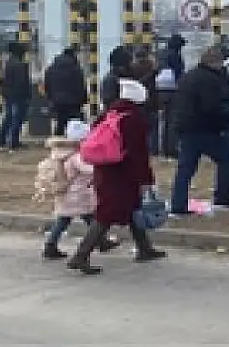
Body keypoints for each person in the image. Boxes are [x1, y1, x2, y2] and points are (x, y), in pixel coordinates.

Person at [66, 79, 165, 275]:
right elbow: (139, 153)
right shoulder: (134, 118)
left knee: (131, 209)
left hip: (105, 170)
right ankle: (80, 256)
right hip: (124, 174)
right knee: (107, 215)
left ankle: (144, 248)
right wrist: (146, 179)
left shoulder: (108, 114)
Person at [169, 46, 229, 215]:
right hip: (205, 128)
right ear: (216, 63)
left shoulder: (189, 76)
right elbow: (213, 106)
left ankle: (178, 204)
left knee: (186, 168)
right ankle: (222, 197)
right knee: (226, 159)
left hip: (186, 127)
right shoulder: (210, 80)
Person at [35, 120, 119, 259]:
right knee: (88, 218)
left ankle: (51, 245)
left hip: (65, 192)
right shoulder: (76, 155)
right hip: (77, 194)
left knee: (66, 219)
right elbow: (88, 170)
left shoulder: (58, 152)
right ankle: (100, 240)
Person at [44, 48, 87, 136]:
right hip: (73, 102)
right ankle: (72, 142)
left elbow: (47, 85)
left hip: (57, 101)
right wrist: (83, 100)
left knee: (60, 122)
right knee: (74, 125)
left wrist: (50, 98)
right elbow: (80, 86)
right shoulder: (76, 69)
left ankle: (58, 142)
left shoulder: (51, 68)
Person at [0, 42, 30, 150]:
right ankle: (14, 143)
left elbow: (1, 80)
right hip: (19, 96)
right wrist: (27, 95)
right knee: (17, 119)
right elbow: (23, 83)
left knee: (8, 117)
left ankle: (2, 141)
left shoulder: (7, 63)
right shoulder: (20, 65)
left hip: (8, 94)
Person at [100, 46, 135, 111]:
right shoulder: (111, 80)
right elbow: (109, 104)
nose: (132, 65)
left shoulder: (127, 77)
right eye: (129, 63)